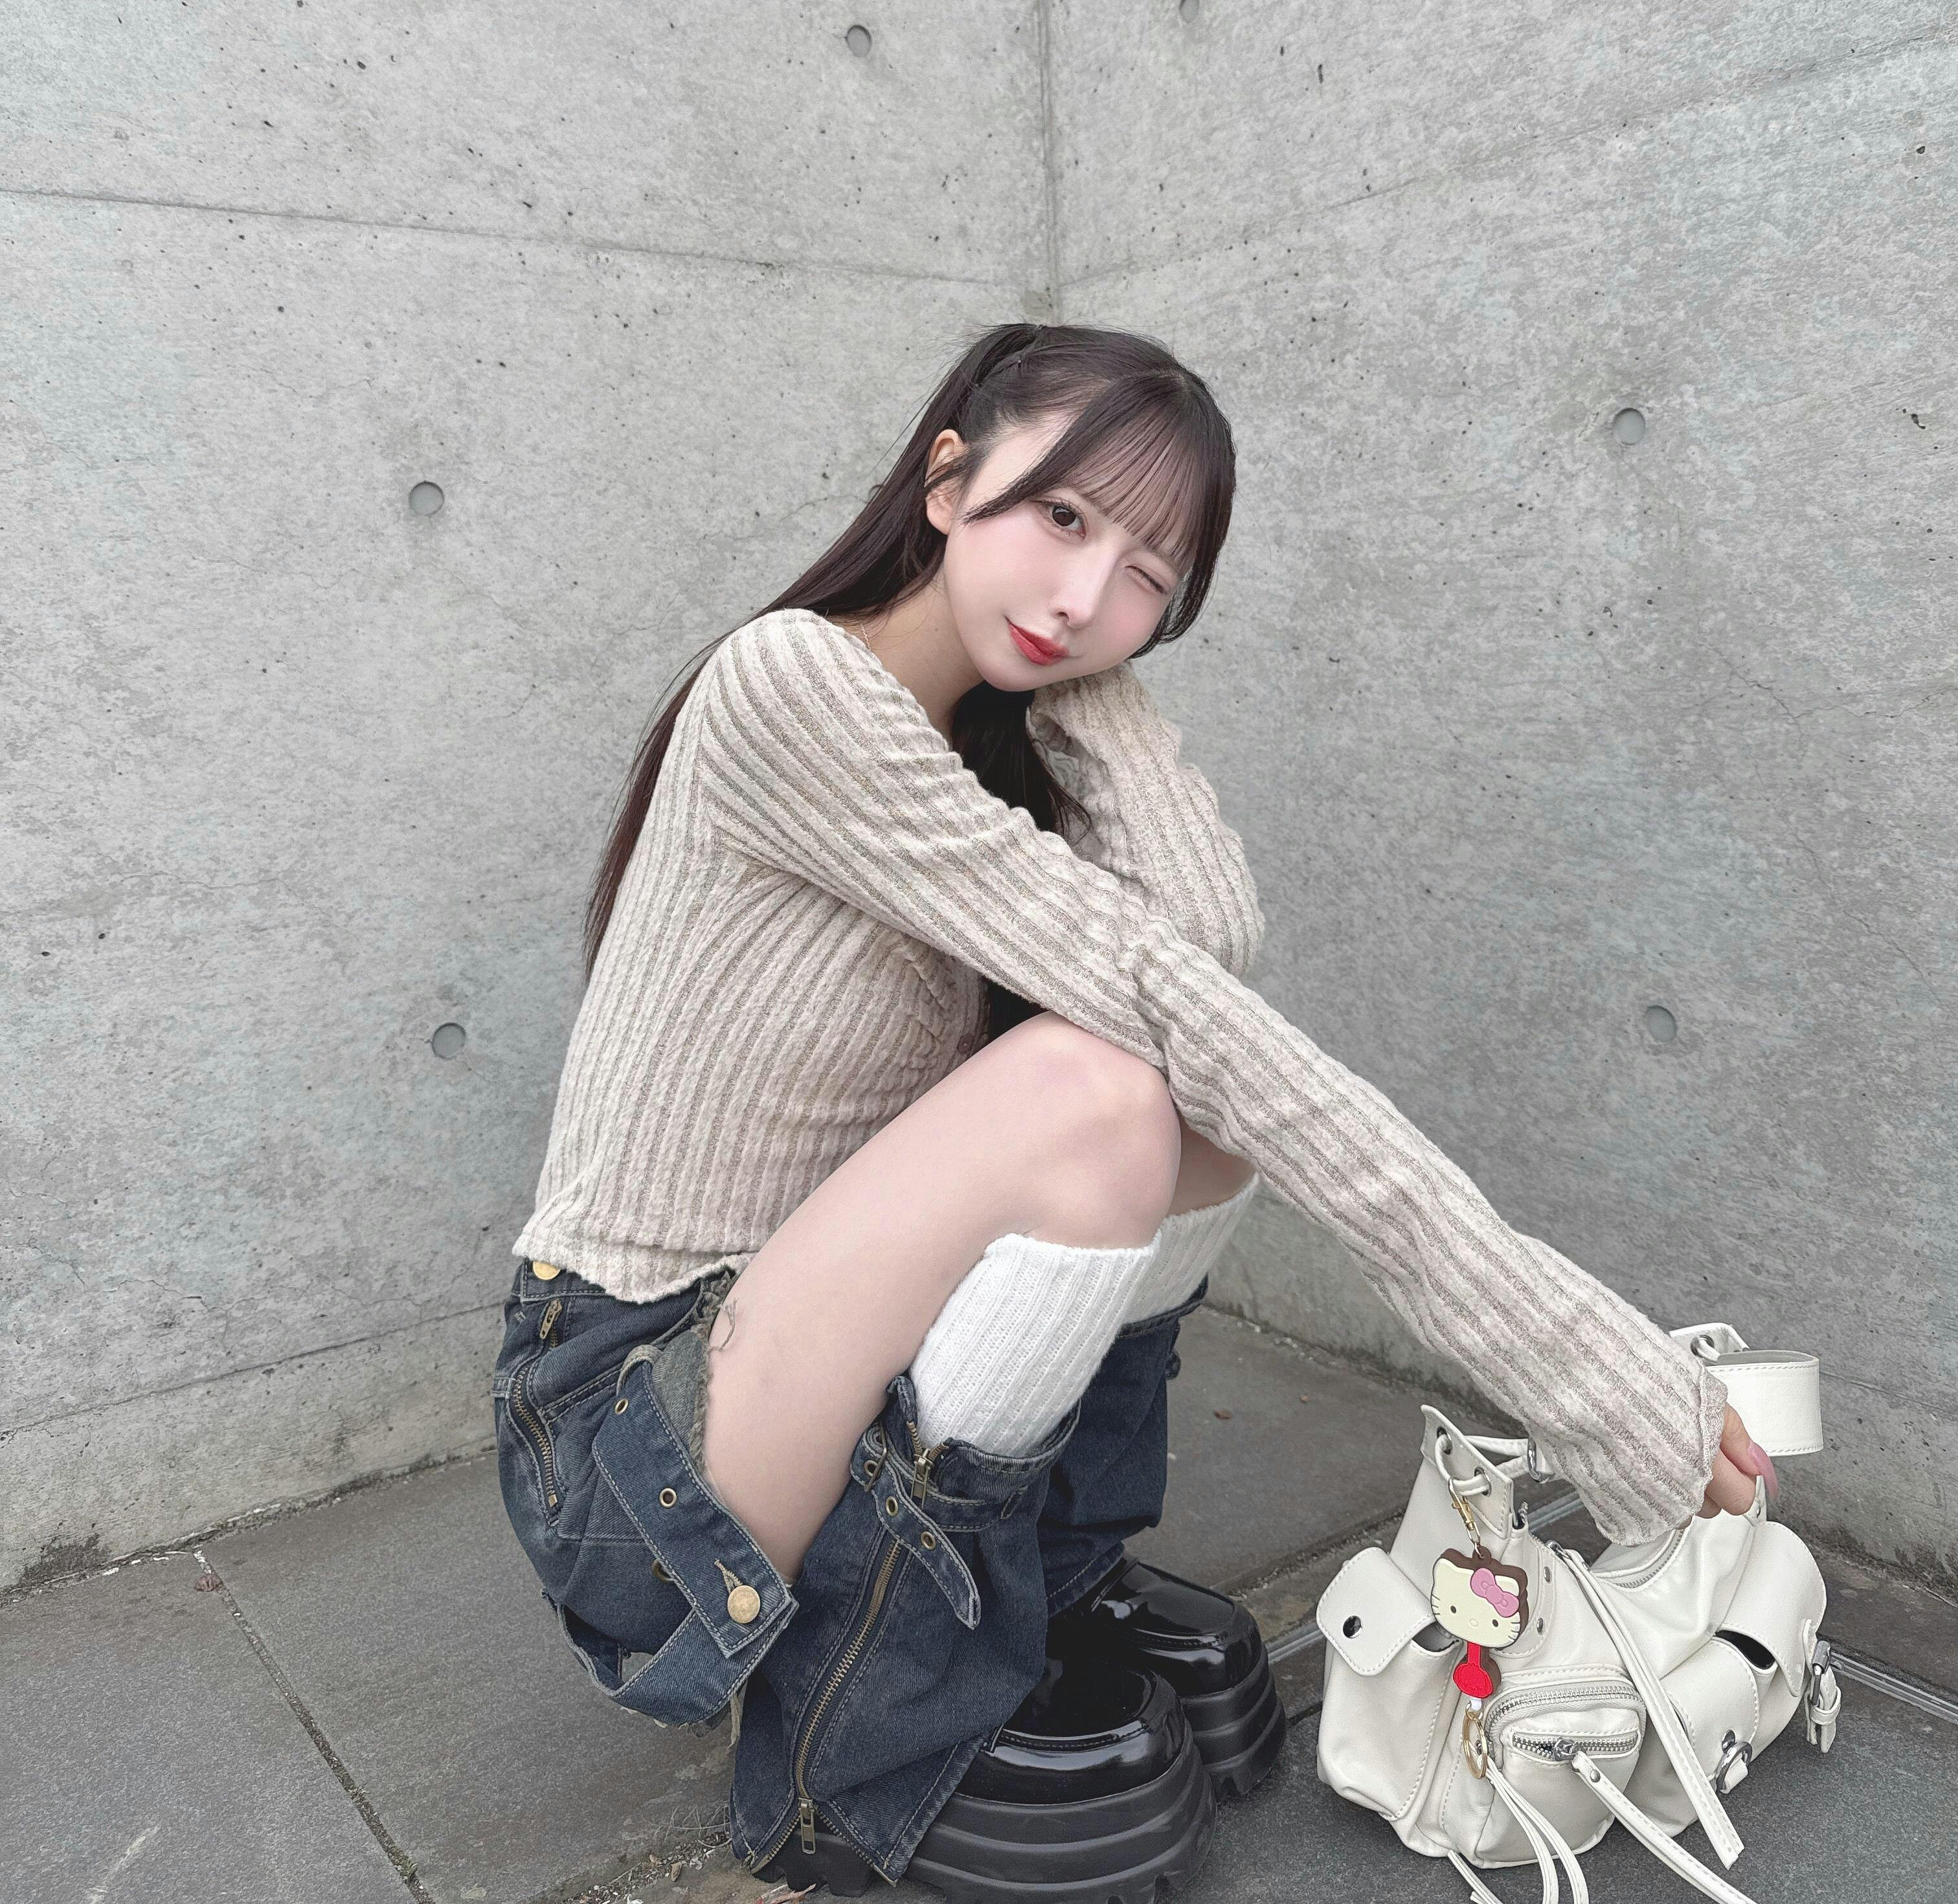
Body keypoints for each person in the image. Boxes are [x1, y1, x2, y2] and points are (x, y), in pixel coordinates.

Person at [491, 321, 1772, 1901]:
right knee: (1105, 1092)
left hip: (790, 1349)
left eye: (1149, 576)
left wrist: (1082, 680)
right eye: (1062, 516)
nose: (1084, 593)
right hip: (634, 1434)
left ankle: (1047, 1575)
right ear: (948, 481)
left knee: (1187, 1116)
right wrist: (1565, 1355)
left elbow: (1202, 941)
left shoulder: (988, 736)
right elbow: (1178, 1000)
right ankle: (868, 1723)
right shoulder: (792, 686)